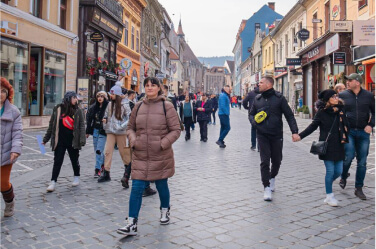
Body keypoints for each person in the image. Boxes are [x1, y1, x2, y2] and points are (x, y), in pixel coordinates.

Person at [117, 77, 181, 236]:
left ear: (159, 88)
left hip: (160, 155)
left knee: (161, 185)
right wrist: (133, 140)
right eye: (147, 85)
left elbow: (176, 130)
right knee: (137, 187)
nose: (150, 87)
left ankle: (165, 210)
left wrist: (162, 144)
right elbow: (130, 128)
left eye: (153, 85)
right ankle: (132, 223)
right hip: (140, 154)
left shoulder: (167, 106)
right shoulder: (138, 106)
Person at [249, 76, 299, 201]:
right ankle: (266, 187)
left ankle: (272, 177)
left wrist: (294, 132)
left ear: (269, 84)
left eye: (260, 82)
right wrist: (255, 124)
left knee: (277, 161)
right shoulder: (257, 99)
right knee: (264, 161)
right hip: (262, 135)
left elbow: (289, 116)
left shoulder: (279, 99)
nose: (258, 84)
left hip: (276, 135)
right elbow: (251, 114)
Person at [297, 89, 349, 206]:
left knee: (339, 171)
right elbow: (312, 126)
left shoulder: (341, 110)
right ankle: (329, 195)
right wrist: (300, 136)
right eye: (333, 96)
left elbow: (347, 125)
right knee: (330, 171)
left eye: (336, 96)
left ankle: (328, 185)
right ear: (327, 100)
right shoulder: (321, 113)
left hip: (340, 144)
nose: (336, 98)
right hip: (327, 145)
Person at [339, 73, 375, 200]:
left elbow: (374, 112)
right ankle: (343, 176)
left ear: (358, 82)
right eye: (347, 80)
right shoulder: (342, 95)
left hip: (363, 132)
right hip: (349, 132)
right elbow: (338, 112)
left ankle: (358, 188)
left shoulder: (369, 96)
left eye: (350, 80)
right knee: (348, 157)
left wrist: (371, 125)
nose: (347, 82)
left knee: (362, 162)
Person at [43, 91, 86, 192]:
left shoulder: (78, 110)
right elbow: (52, 125)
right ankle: (53, 182)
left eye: (76, 98)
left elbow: (81, 126)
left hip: (73, 140)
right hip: (60, 140)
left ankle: (76, 176)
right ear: (69, 98)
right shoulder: (58, 109)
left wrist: (82, 140)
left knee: (74, 160)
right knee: (57, 161)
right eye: (74, 98)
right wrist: (45, 139)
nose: (76, 100)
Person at [97, 84, 131, 183]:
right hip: (110, 130)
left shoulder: (125, 105)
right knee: (108, 151)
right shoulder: (109, 104)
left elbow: (130, 118)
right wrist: (105, 120)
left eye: (112, 94)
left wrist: (121, 126)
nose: (110, 96)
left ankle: (127, 172)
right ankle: (106, 172)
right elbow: (107, 115)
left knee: (123, 152)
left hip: (121, 132)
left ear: (117, 94)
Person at [0, 77, 23, 217]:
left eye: (3, 91)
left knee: (3, 183)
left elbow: (17, 133)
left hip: (6, 153)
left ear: (8, 93)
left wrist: (15, 150)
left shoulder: (14, 112)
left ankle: (9, 203)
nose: (1, 94)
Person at [86, 91, 109, 178]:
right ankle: (102, 164)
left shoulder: (108, 107)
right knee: (97, 150)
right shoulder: (93, 107)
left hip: (103, 130)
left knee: (99, 150)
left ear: (105, 98)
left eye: (102, 96)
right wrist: (87, 131)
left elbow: (112, 117)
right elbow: (89, 119)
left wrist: (107, 120)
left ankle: (97, 169)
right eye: (98, 96)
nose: (100, 98)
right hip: (95, 130)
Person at [243, 85, 260, 151]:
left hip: (252, 113)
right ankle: (259, 147)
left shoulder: (250, 93)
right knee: (260, 129)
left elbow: (244, 101)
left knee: (253, 129)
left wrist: (247, 108)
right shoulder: (263, 92)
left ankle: (253, 145)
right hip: (261, 113)